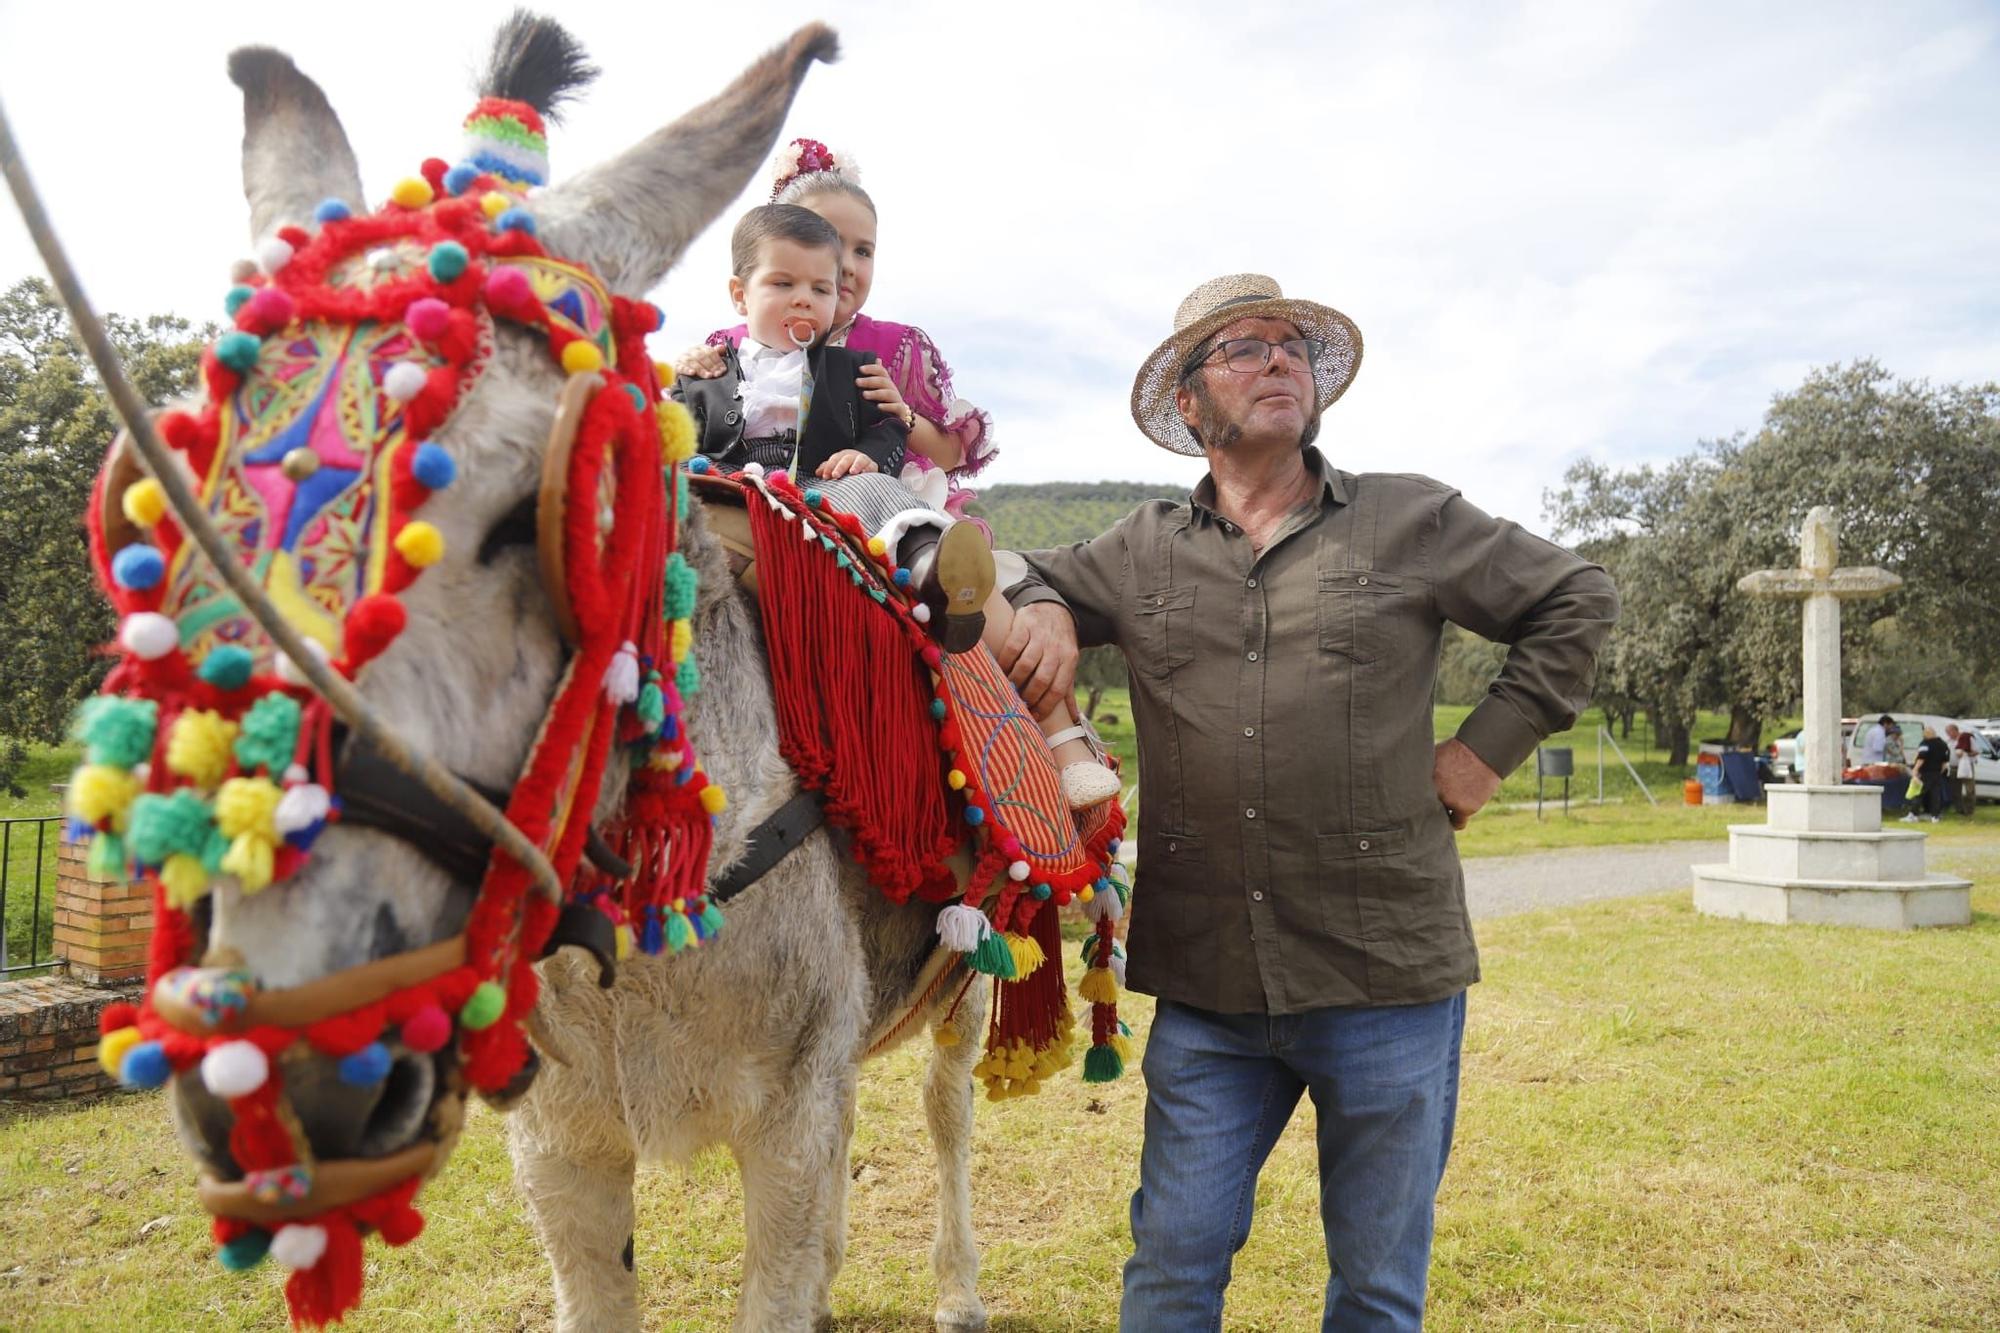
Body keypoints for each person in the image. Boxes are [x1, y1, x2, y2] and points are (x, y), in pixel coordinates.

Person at [997, 274, 1618, 1329]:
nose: (1276, 360)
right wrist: (1042, 602)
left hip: (1386, 979)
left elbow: (1576, 597)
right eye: (1240, 348)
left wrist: (1481, 750)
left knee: (1376, 1291)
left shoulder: (1410, 517)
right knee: (1169, 1268)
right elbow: (1006, 563)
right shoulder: (1140, 547)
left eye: (1290, 345)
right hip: (1206, 989)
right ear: (1189, 405)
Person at [674, 203, 1117, 809]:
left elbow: (887, 432)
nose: (803, 300)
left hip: (828, 493)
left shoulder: (855, 368)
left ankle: (941, 573)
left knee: (879, 494)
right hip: (733, 492)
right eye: (783, 285)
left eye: (820, 289)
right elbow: (677, 429)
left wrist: (865, 457)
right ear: (739, 294)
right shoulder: (707, 368)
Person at [677, 139, 996, 527]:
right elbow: (697, 414)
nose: (844, 264)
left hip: (867, 494)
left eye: (863, 251)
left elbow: (948, 455)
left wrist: (903, 415)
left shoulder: (894, 347)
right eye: (826, 241)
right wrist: (694, 368)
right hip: (745, 488)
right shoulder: (731, 344)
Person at [1905, 726, 1949, 823]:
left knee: (1918, 793)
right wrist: (1938, 772)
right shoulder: (1943, 744)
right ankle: (1935, 816)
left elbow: (1921, 758)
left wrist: (1915, 770)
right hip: (1937, 773)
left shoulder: (1925, 744)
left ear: (1925, 734)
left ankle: (1913, 814)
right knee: (1935, 795)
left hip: (1925, 772)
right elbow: (1944, 763)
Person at [1947, 723, 1978, 816]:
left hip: (1965, 766)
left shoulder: (1967, 738)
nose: (1948, 734)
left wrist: (1965, 754)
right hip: (1953, 767)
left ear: (1955, 730)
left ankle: (1969, 810)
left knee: (1969, 789)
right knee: (1955, 790)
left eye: (1949, 732)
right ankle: (1959, 809)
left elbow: (1976, 751)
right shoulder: (1949, 741)